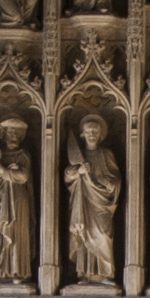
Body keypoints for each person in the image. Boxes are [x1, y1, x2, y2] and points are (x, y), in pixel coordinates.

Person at [62, 115, 122, 286]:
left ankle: (105, 273)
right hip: (83, 202)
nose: (92, 134)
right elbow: (67, 177)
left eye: (95, 131)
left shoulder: (106, 154)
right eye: (88, 131)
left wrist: (109, 184)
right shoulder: (78, 156)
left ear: (101, 134)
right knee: (83, 233)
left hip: (101, 203)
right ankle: (85, 274)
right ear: (82, 134)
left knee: (103, 234)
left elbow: (116, 178)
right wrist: (77, 171)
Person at [0, 119, 34, 286]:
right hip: (0, 197)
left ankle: (17, 271)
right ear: (3, 135)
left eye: (17, 134)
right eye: (10, 133)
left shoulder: (23, 155)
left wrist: (3, 171)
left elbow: (24, 176)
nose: (14, 136)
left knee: (15, 233)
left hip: (17, 198)